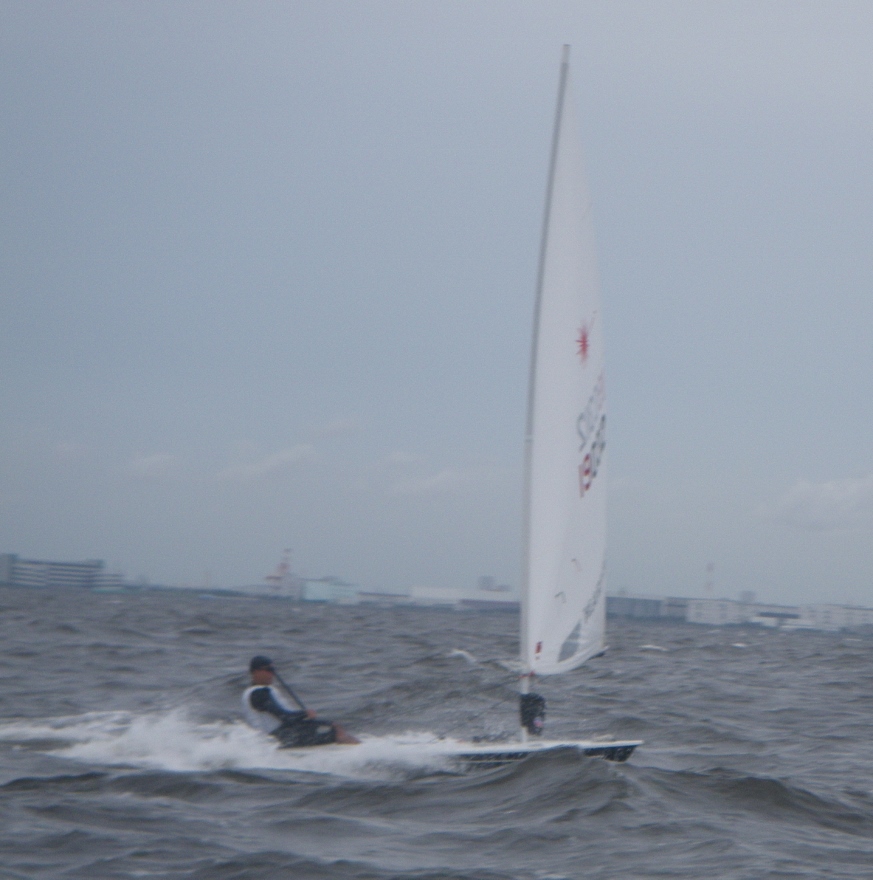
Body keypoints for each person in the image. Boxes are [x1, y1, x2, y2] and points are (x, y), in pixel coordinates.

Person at [241, 655, 359, 746]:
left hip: (279, 735)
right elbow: (284, 717)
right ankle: (353, 749)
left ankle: (351, 744)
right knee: (334, 729)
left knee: (332, 725)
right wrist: (304, 714)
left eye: (272, 670)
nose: (271, 673)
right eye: (267, 670)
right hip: (276, 739)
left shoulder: (260, 691)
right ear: (255, 672)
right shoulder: (258, 693)